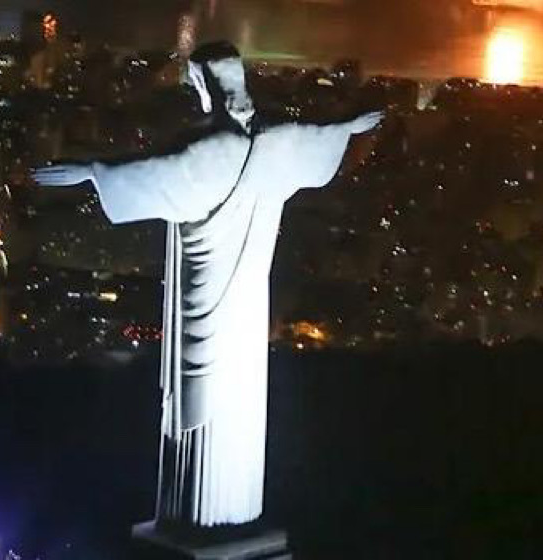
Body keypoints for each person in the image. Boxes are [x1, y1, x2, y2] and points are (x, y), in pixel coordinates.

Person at [34, 41, 381, 528]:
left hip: (204, 296)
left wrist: (92, 172)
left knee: (201, 399)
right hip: (247, 305)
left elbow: (151, 173)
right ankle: (229, 515)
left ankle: (200, 519)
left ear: (203, 86)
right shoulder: (274, 139)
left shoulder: (205, 150)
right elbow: (316, 136)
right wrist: (349, 127)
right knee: (238, 400)